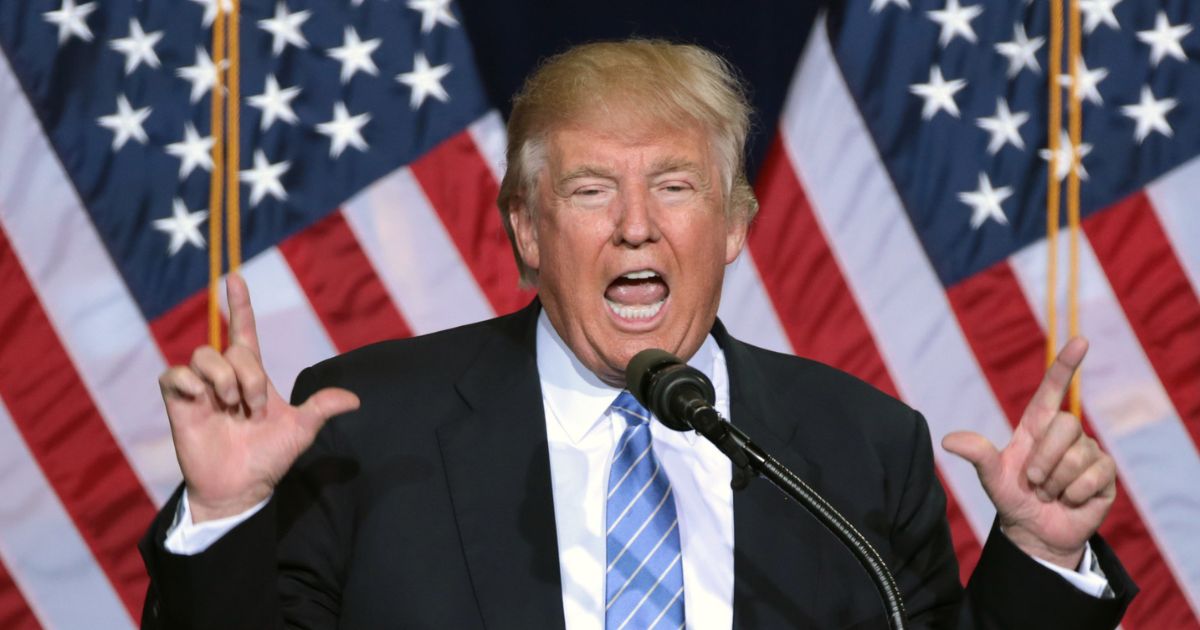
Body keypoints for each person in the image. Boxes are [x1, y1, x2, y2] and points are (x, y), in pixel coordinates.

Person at [142, 40, 1136, 629]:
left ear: (737, 222)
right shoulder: (368, 428)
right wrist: (224, 513)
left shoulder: (859, 445)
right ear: (526, 230)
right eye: (588, 190)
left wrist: (1041, 558)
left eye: (674, 186)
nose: (635, 225)